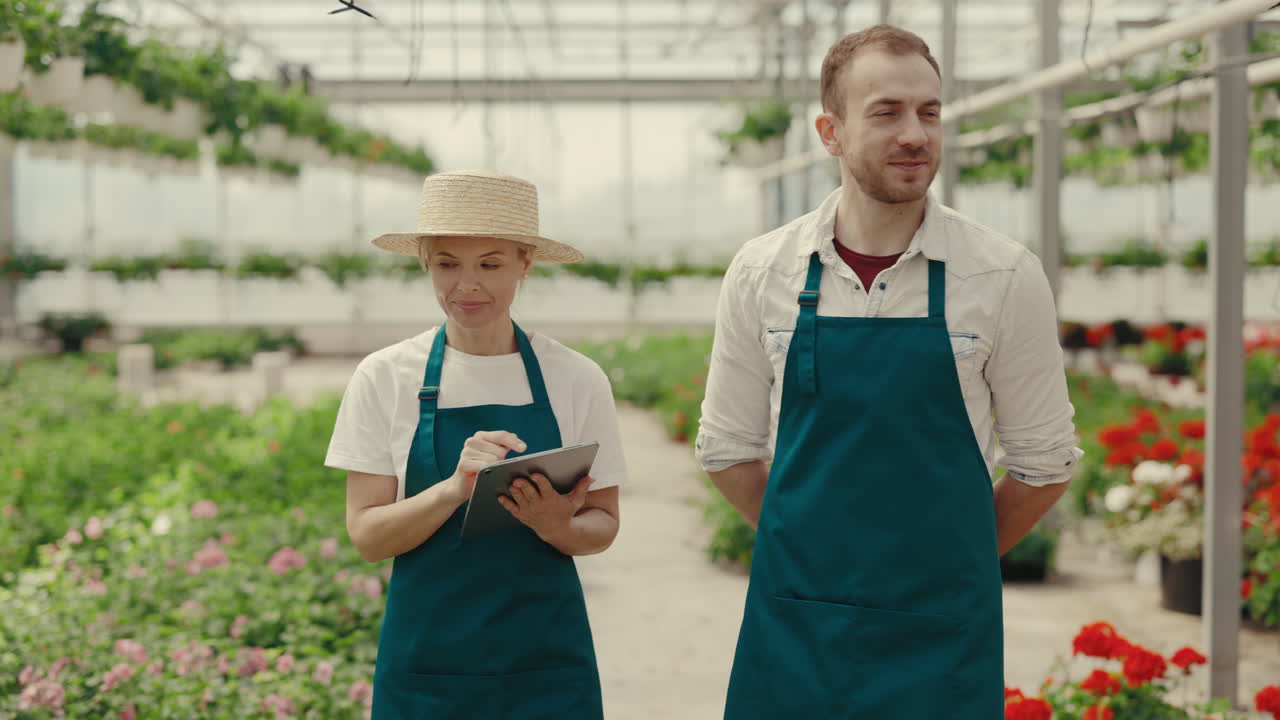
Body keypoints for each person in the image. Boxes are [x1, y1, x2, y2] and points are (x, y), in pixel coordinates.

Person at [696, 25, 1084, 719]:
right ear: (830, 131)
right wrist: (816, 554)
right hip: (799, 625)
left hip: (942, 630)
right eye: (886, 112)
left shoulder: (1001, 275)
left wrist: (945, 560)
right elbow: (727, 450)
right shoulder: (763, 272)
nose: (915, 132)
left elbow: (1044, 464)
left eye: (930, 112)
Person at [324, 170, 626, 719]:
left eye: (490, 264)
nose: (467, 285)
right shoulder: (386, 376)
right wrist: (453, 490)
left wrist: (555, 526)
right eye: (447, 264)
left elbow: (604, 520)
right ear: (425, 264)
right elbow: (367, 536)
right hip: (426, 669)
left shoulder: (576, 379)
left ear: (525, 263)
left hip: (546, 669)